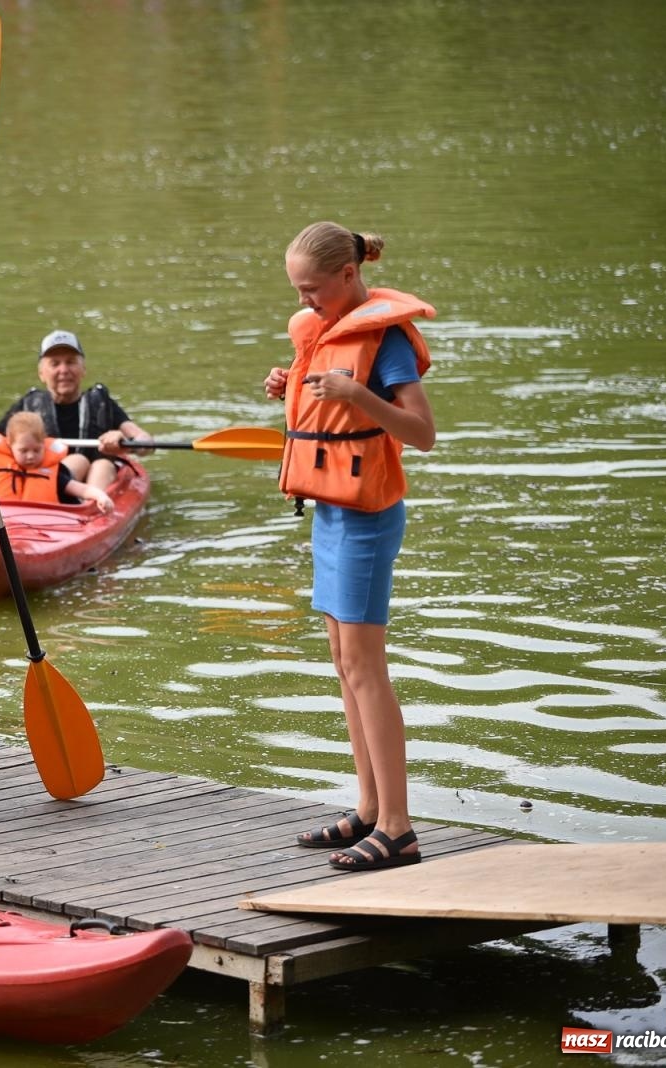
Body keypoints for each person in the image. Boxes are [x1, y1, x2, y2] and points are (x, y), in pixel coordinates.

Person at [264, 221, 436, 873]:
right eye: (297, 292)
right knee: (343, 660)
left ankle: (398, 828)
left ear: (346, 275)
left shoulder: (385, 337)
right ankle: (368, 810)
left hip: (368, 518)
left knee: (367, 667)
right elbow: (329, 412)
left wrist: (356, 394)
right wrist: (295, 386)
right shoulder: (324, 330)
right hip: (330, 510)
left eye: (312, 290)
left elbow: (422, 432)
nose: (306, 302)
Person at [0, 329, 151, 490]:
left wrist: (125, 442)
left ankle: (91, 506)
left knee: (102, 465)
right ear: (41, 373)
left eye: (70, 362)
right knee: (76, 461)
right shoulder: (27, 406)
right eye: (55, 364)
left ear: (83, 369)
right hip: (44, 482)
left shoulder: (101, 402)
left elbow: (145, 441)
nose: (63, 370)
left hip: (95, 483)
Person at [0, 411, 115, 512]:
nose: (31, 456)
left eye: (37, 450)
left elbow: (82, 490)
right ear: (10, 444)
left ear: (44, 443)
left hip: (41, 523)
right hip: (2, 521)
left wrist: (100, 496)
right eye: (24, 451)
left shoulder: (55, 475)